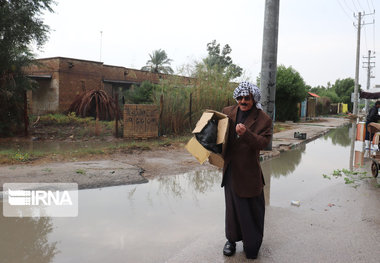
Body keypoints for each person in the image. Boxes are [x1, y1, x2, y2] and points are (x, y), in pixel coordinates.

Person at [221, 81, 272, 259]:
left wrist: (246, 134)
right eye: (240, 98)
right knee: (232, 209)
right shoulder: (228, 112)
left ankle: (252, 243)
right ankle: (231, 240)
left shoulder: (264, 119)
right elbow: (219, 134)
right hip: (230, 170)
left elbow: (263, 143)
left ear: (254, 99)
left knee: (251, 210)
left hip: (249, 173)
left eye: (247, 98)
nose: (243, 101)